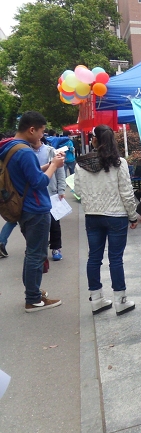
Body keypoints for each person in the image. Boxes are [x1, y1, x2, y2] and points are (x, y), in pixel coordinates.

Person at [0, 111, 65, 312]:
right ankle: (33, 299)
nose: (42, 136)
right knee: (36, 254)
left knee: (32, 252)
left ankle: (33, 291)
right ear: (31, 129)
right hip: (35, 208)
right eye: (41, 131)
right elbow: (39, 181)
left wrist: (48, 165)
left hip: (23, 207)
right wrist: (54, 165)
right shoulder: (25, 152)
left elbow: (29, 174)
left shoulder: (10, 147)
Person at [74, 125, 138, 315]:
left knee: (94, 257)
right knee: (115, 258)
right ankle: (121, 300)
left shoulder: (81, 164)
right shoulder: (119, 163)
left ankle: (96, 299)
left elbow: (78, 191)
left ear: (94, 140)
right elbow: (127, 193)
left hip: (92, 216)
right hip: (116, 216)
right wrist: (133, 216)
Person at [30, 139, 66, 261]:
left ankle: (56, 248)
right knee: (36, 224)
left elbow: (60, 171)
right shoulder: (26, 152)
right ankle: (39, 250)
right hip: (34, 194)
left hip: (51, 192)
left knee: (54, 223)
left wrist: (61, 189)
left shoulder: (51, 151)